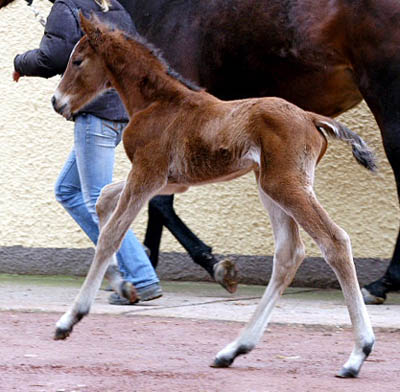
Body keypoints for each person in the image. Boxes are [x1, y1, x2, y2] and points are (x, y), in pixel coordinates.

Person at [13, 0, 162, 304]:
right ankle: (119, 267)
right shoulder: (111, 6)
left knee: (99, 199)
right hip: (120, 114)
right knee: (67, 190)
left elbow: (50, 58)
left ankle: (141, 276)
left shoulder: (65, 7)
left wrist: (19, 62)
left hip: (96, 116)